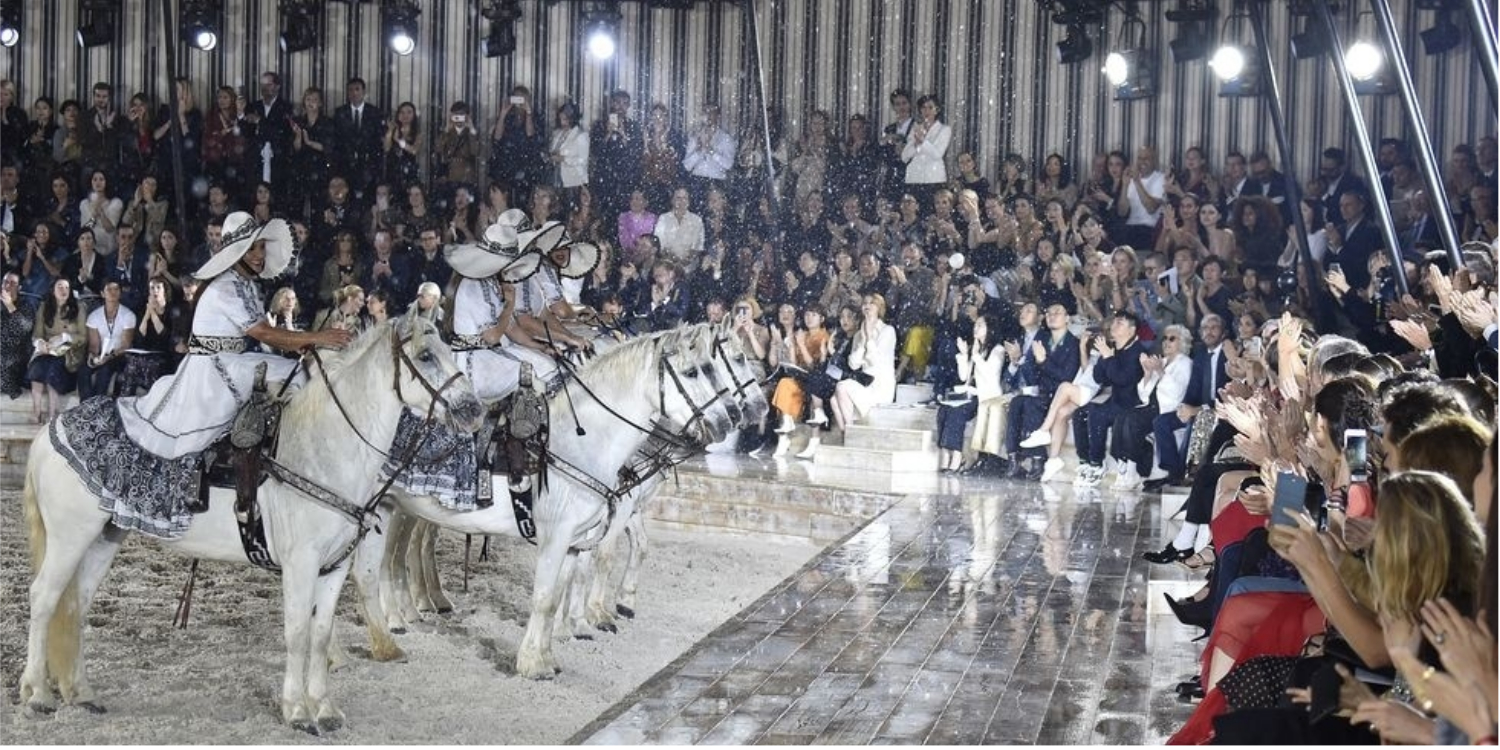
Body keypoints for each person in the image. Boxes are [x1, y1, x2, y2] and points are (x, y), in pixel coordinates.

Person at [116, 212, 353, 459]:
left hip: (229, 361)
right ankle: (289, 452)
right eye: (252, 250)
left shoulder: (245, 284)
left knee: (292, 371)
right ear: (237, 254)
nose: (260, 255)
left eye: (261, 247)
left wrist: (301, 344)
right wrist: (315, 338)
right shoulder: (226, 287)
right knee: (294, 376)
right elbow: (263, 332)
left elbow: (267, 331)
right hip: (212, 370)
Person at [937, 313, 1003, 473]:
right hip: (970, 394)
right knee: (943, 410)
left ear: (990, 329)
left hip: (985, 396)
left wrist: (975, 356)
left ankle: (958, 455)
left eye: (981, 325)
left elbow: (989, 374)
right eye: (976, 325)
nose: (976, 328)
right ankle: (946, 453)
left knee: (958, 411)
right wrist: (964, 355)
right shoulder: (976, 348)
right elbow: (963, 376)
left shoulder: (997, 350)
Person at [27, 278, 87, 423]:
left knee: (53, 369)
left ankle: (53, 414)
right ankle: (37, 412)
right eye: (60, 286)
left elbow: (83, 337)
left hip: (69, 354)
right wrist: (39, 342)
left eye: (66, 287)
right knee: (37, 366)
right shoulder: (44, 307)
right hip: (48, 350)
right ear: (53, 290)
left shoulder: (79, 307)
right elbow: (37, 334)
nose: (63, 290)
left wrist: (65, 337)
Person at [79, 279, 137, 400]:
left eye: (116, 289)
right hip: (102, 354)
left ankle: (99, 404)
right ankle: (86, 405)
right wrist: (93, 357)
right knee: (84, 370)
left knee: (104, 371)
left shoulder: (128, 315)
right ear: (102, 293)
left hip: (119, 356)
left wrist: (109, 357)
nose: (112, 292)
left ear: (120, 293)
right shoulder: (94, 316)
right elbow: (94, 345)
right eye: (109, 289)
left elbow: (126, 345)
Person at [1, 270, 37, 399]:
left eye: (12, 283)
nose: (8, 285)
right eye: (5, 282)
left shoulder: (26, 306)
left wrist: (10, 306)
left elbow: (24, 328)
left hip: (17, 352)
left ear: (19, 287)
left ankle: (13, 389)